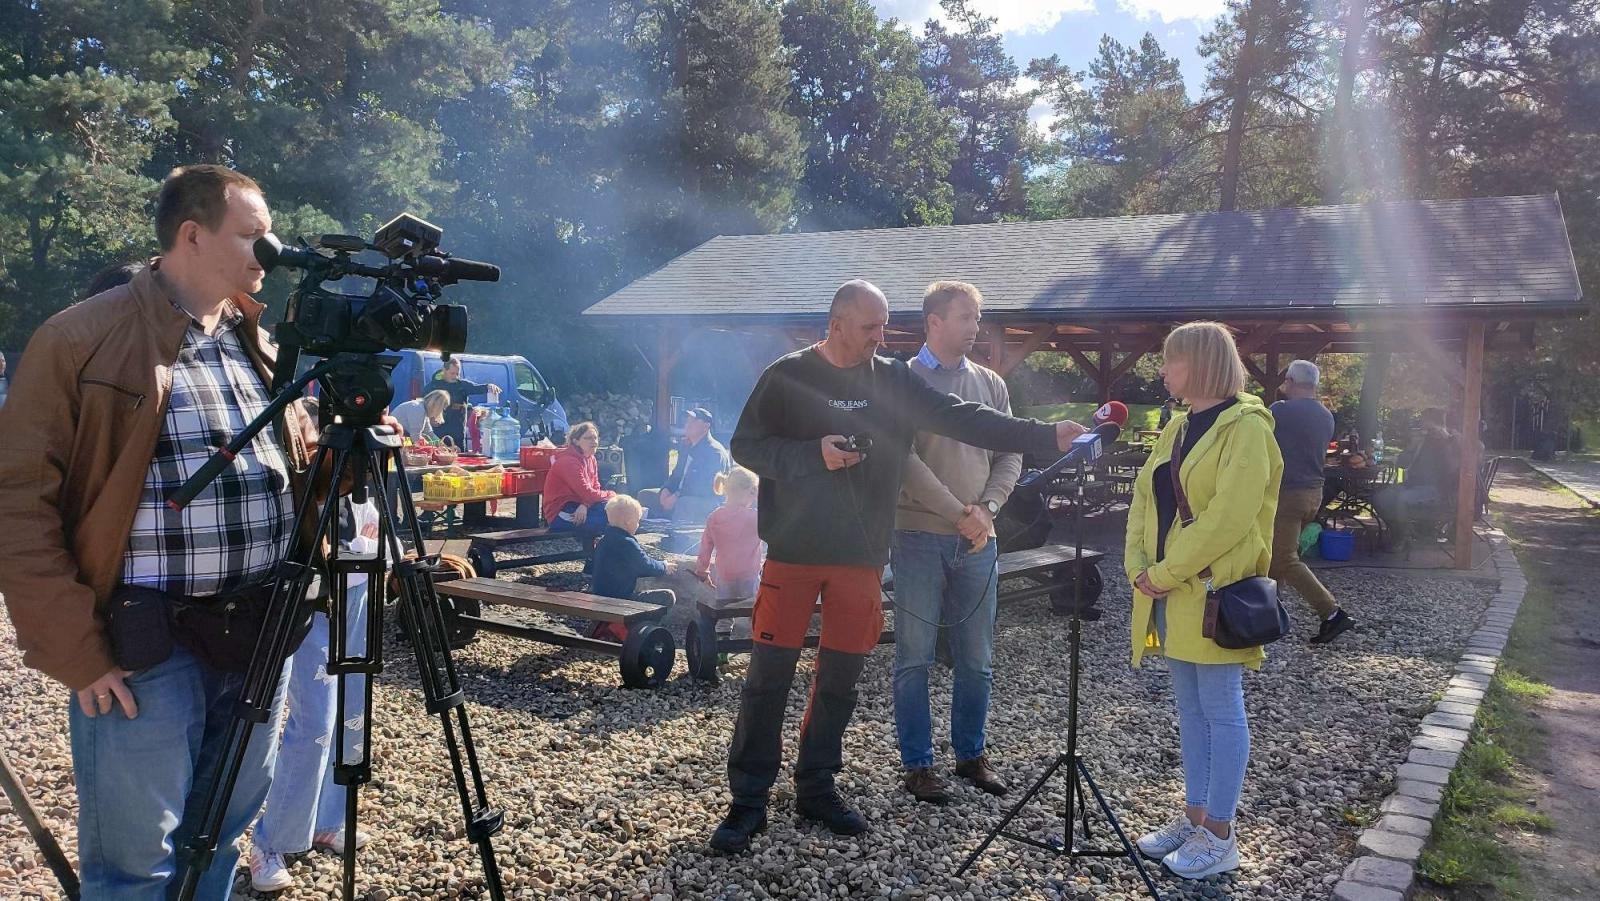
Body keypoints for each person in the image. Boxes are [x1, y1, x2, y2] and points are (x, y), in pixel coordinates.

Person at [0, 164, 328, 899]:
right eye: (251, 234)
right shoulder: (80, 337)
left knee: (217, 838)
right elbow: (17, 503)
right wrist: (78, 653)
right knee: (133, 866)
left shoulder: (257, 341)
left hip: (253, 639)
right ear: (192, 235)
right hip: (145, 648)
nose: (267, 249)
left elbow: (293, 468)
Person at [709, 279, 1086, 854]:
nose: (880, 338)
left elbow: (961, 417)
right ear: (836, 324)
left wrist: (1043, 435)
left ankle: (817, 787)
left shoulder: (890, 378)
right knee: (769, 679)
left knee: (839, 678)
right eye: (870, 328)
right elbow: (747, 447)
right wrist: (814, 454)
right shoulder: (788, 375)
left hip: (859, 557)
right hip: (792, 551)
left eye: (884, 327)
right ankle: (749, 800)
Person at [1125, 321, 1282, 880]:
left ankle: (1220, 832)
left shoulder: (1248, 427)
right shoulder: (1179, 427)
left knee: (1220, 707)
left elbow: (1228, 519)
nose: (1162, 371)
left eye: (1170, 361)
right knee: (1190, 709)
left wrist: (1164, 572)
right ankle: (1194, 816)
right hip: (1171, 589)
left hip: (1211, 592)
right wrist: (1138, 567)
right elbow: (1145, 499)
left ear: (1201, 363)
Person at [891, 281, 1021, 804]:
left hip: (978, 539)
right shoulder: (902, 380)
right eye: (965, 317)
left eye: (977, 316)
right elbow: (903, 459)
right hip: (919, 535)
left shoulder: (991, 383)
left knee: (977, 658)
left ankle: (971, 755)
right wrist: (959, 513)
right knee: (914, 658)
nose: (975, 326)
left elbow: (1011, 451)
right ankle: (918, 765)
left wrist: (986, 510)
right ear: (934, 322)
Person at [248, 495, 379, 891]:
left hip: (358, 586)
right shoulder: (303, 445)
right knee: (315, 723)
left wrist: (375, 544)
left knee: (352, 710)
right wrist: (361, 544)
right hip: (311, 594)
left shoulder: (358, 468)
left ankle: (327, 820)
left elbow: (373, 521)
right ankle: (271, 841)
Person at [1269, 361, 1354, 644]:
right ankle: (1269, 612)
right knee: (1276, 553)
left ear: (1291, 380)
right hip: (1313, 493)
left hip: (1286, 493)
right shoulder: (1326, 415)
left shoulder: (1280, 412)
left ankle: (1331, 613)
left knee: (1283, 557)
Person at [589, 495, 678, 642]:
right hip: (620, 599)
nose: (638, 524)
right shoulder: (627, 543)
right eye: (637, 521)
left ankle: (611, 625)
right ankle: (631, 631)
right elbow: (645, 564)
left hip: (600, 597)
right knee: (667, 596)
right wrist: (664, 566)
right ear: (628, 522)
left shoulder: (604, 541)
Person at [1373, 408, 1462, 546]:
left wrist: (1445, 442)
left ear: (1433, 422)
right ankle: (1398, 530)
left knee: (1401, 499)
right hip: (1413, 485)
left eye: (1424, 421)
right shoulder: (1422, 440)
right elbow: (1402, 464)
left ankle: (1401, 539)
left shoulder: (1450, 441)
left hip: (1436, 491)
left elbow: (1452, 468)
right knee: (1380, 497)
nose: (1421, 423)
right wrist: (1412, 447)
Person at [694, 466, 764, 641]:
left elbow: (705, 548)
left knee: (724, 614)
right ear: (749, 491)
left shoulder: (714, 517)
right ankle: (758, 647)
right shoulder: (755, 518)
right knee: (756, 612)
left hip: (725, 576)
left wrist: (702, 571)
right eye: (754, 491)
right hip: (750, 575)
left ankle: (722, 651)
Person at [638, 407, 731, 524]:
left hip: (707, 500)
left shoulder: (714, 452)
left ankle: (676, 537)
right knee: (645, 495)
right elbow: (676, 474)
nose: (688, 424)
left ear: (706, 426)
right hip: (682, 494)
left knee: (685, 503)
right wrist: (666, 490)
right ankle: (653, 526)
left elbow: (705, 486)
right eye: (687, 421)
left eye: (693, 421)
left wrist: (676, 496)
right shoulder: (686, 447)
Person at [544, 420, 618, 547]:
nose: (593, 441)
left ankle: (596, 558)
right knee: (613, 515)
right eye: (588, 438)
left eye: (595, 438)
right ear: (575, 441)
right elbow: (587, 492)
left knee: (615, 511)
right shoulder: (568, 462)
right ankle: (600, 558)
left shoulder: (591, 458)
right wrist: (612, 494)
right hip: (561, 512)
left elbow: (594, 487)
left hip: (580, 506)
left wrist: (585, 504)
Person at [425, 356, 499, 448]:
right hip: (438, 431)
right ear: (444, 370)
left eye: (457, 374)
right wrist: (429, 420)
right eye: (452, 373)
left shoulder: (462, 385)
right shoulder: (433, 386)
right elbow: (424, 405)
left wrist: (489, 386)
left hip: (458, 434)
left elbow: (477, 388)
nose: (455, 377)